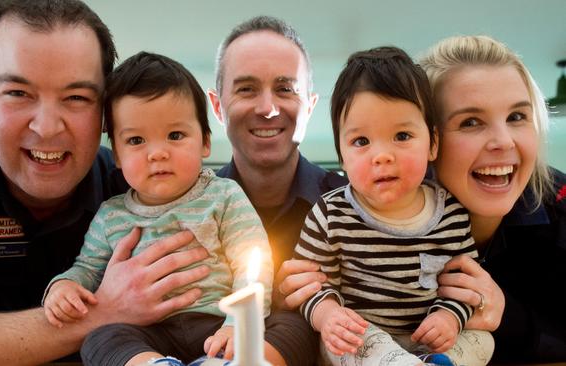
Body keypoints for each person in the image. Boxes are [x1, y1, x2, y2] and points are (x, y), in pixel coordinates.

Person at [0, 1, 212, 364]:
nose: (47, 127)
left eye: (76, 98)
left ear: (105, 113)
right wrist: (103, 312)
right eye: (18, 93)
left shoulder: (130, 185)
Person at [43, 51, 274, 366]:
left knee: (282, 325)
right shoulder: (111, 216)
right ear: (118, 157)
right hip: (145, 333)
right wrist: (66, 285)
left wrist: (236, 324)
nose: (157, 153)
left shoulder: (223, 195)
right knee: (98, 338)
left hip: (215, 323)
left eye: (175, 135)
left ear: (205, 141)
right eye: (136, 140)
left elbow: (253, 262)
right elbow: (88, 268)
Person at [294, 46, 493, 366]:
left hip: (427, 338)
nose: (382, 156)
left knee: (483, 339)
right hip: (363, 340)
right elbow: (311, 287)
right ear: (342, 156)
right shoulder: (331, 214)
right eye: (361, 142)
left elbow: (464, 290)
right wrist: (328, 315)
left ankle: (437, 361)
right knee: (342, 341)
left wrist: (449, 318)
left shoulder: (452, 215)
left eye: (402, 135)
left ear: (433, 143)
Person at [419, 35, 566, 362]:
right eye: (470, 122)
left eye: (517, 117)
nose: (503, 141)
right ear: (427, 141)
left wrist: (507, 316)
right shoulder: (372, 220)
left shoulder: (561, 210)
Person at [208, 14, 346, 314]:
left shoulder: (354, 206)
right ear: (218, 107)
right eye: (246, 89)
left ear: (309, 107)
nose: (268, 109)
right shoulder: (184, 212)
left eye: (285, 89)